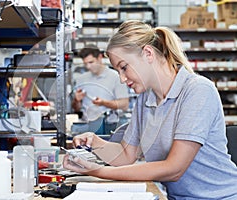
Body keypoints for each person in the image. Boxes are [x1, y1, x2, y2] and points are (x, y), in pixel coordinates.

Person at [63, 20, 237, 199]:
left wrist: (98, 171)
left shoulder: (197, 90)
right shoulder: (146, 99)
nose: (122, 79)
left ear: (148, 53)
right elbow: (126, 154)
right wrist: (95, 142)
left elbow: (174, 169)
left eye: (124, 67)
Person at [71, 45, 129, 122]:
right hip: (87, 124)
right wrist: (76, 100)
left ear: (100, 57)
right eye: (85, 63)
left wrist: (104, 103)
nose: (88, 66)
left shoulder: (116, 77)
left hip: (109, 124)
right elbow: (76, 108)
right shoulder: (81, 79)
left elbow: (124, 104)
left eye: (91, 62)